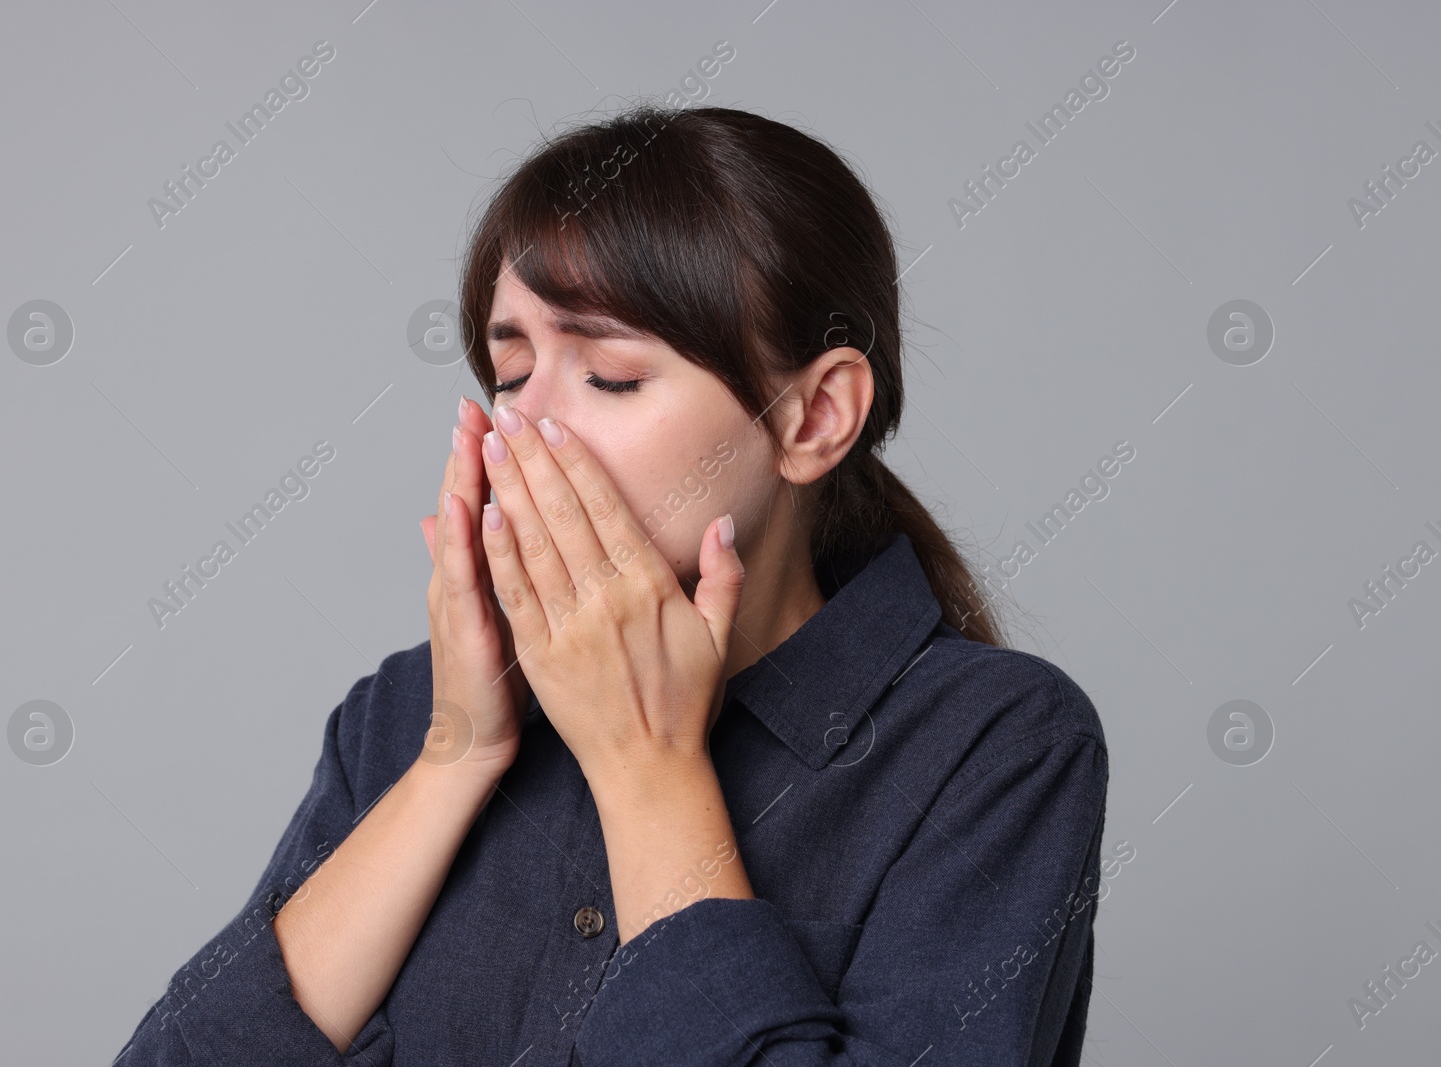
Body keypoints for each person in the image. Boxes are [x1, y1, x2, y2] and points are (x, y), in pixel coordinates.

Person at [111, 103, 1109, 1066]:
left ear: (812, 418)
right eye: (509, 375)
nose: (531, 430)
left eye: (612, 376)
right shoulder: (403, 715)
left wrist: (649, 772)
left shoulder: (996, 748)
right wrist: (455, 760)